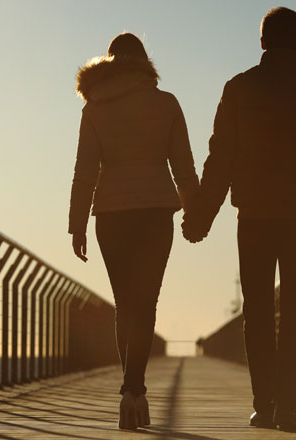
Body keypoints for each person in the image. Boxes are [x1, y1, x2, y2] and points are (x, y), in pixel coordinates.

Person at [182, 7, 296, 433]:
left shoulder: (239, 88)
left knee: (258, 311)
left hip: (255, 216)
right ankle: (289, 406)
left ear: (262, 42)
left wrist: (201, 216)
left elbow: (220, 158)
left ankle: (264, 403)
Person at [69, 32, 200, 430]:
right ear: (146, 64)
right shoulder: (166, 103)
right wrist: (195, 215)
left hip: (110, 214)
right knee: (145, 301)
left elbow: (85, 171)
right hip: (156, 212)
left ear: (110, 63)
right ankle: (134, 389)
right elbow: (183, 166)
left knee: (124, 303)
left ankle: (131, 389)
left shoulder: (94, 108)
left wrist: (77, 225)